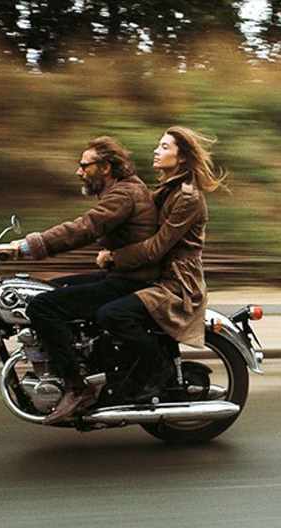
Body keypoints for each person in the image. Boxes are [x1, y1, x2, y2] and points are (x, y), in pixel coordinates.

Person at [0, 136, 161, 423]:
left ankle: (76, 388)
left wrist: (22, 248)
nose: (78, 171)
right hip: (123, 274)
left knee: (42, 306)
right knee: (48, 290)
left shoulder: (123, 195)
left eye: (85, 166)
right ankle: (77, 358)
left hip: (130, 281)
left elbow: (84, 228)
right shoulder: (123, 190)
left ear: (106, 167)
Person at [95, 126, 228, 402]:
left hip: (177, 283)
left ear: (182, 157)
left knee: (112, 314)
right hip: (158, 274)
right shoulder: (167, 191)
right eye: (158, 145)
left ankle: (157, 367)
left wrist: (115, 258)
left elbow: (156, 247)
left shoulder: (187, 198)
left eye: (165, 147)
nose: (156, 151)